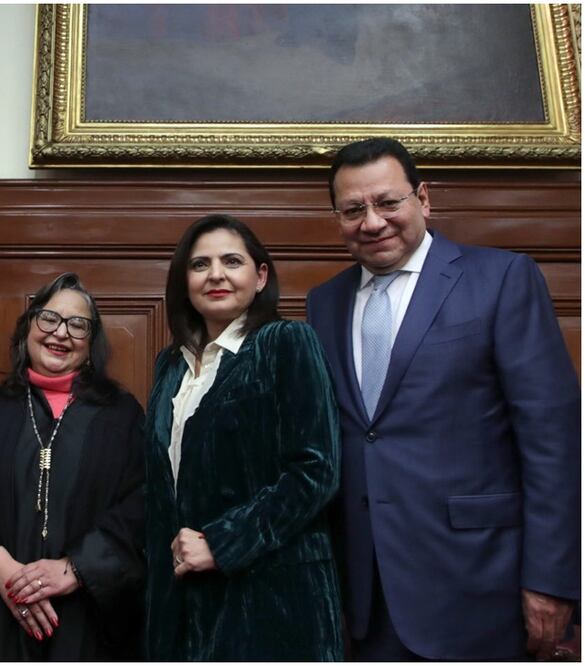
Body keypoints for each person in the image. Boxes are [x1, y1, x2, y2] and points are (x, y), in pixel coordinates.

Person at [306, 137, 581, 660]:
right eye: (353, 210)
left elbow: (554, 441)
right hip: (366, 595)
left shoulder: (501, 279)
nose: (372, 222)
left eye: (388, 202)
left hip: (481, 584)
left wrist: (552, 579)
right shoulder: (325, 302)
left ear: (423, 199)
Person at [144, 213, 343, 661]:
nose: (215, 274)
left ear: (261, 277)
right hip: (182, 606)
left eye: (232, 261)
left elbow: (316, 471)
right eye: (200, 264)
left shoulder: (287, 341)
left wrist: (222, 542)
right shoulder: (170, 365)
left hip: (273, 599)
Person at [0, 272, 145, 660]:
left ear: (91, 345)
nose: (61, 332)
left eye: (77, 324)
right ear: (28, 329)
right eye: (49, 318)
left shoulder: (122, 417)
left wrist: (76, 568)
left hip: (84, 619)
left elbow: (142, 504)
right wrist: (3, 571)